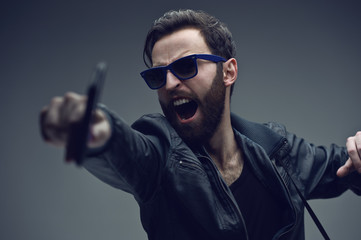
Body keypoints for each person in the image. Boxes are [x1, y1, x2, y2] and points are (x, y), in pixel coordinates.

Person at [40, 9, 361, 240]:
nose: (168, 83)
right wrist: (99, 130)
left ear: (228, 71)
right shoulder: (161, 156)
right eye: (157, 74)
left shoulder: (275, 147)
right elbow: (130, 151)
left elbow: (345, 167)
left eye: (185, 66)